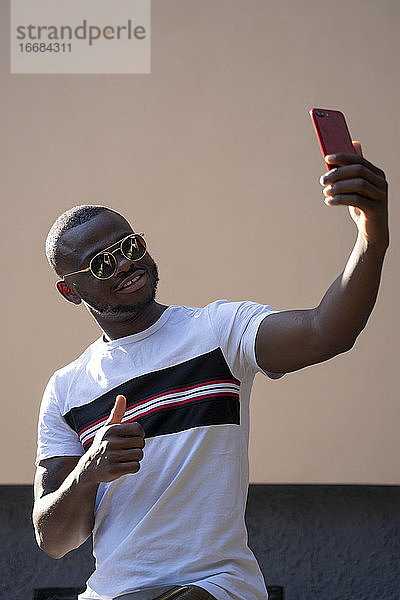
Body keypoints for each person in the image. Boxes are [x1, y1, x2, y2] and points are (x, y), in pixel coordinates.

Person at [33, 144, 388, 600]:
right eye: (102, 264)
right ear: (70, 290)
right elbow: (54, 540)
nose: (124, 263)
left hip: (214, 587)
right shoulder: (67, 389)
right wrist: (88, 471)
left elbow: (326, 332)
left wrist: (371, 237)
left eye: (130, 246)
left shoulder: (218, 332)